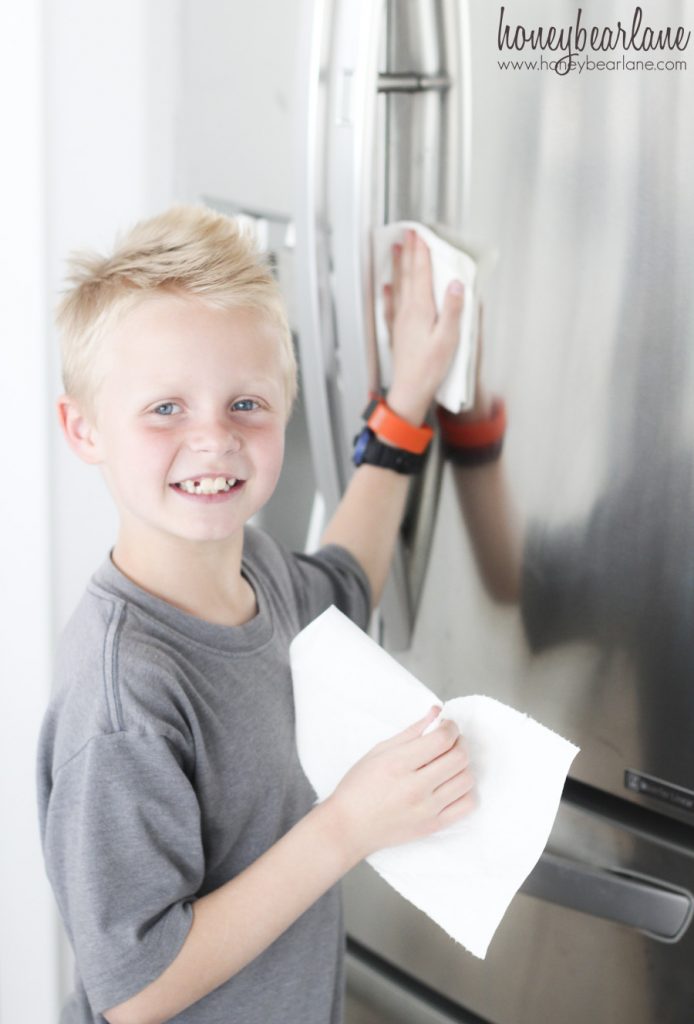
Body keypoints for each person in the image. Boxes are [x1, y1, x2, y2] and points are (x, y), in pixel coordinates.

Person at [37, 205, 475, 1024]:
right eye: (166, 409)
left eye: (246, 403)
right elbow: (134, 991)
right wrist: (348, 826)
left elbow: (346, 582)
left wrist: (409, 401)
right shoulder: (124, 696)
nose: (213, 439)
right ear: (84, 429)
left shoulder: (258, 572)